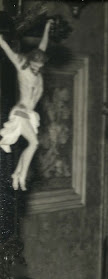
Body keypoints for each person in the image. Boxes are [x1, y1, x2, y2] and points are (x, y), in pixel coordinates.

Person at [0, 19, 53, 191]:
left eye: (40, 67)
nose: (37, 69)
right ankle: (20, 175)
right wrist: (1, 41)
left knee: (32, 144)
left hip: (29, 115)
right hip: (21, 112)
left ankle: (17, 174)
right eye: (35, 66)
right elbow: (7, 49)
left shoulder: (38, 71)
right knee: (34, 143)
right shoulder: (22, 69)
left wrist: (47, 28)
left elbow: (42, 46)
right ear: (30, 61)